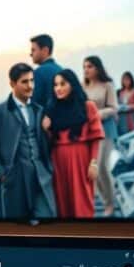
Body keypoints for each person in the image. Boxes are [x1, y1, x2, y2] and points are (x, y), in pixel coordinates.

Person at [0, 63, 56, 219]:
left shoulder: (38, 110)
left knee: (47, 216)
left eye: (32, 81)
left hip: (41, 176)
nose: (30, 86)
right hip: (15, 179)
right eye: (24, 82)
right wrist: (1, 173)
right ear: (12, 84)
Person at [42, 69, 106, 218]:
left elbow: (95, 137)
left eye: (62, 84)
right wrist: (45, 129)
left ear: (73, 85)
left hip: (81, 159)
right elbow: (49, 141)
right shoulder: (51, 109)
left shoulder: (87, 106)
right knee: (62, 203)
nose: (58, 88)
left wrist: (93, 163)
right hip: (58, 161)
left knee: (83, 202)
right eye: (55, 85)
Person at [82, 56, 118, 216]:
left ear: (97, 68)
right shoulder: (83, 86)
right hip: (89, 131)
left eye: (89, 66)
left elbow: (113, 108)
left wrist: (97, 114)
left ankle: (110, 204)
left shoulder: (107, 85)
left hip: (106, 129)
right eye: (84, 67)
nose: (86, 69)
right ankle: (105, 200)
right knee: (93, 167)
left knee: (102, 166)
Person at [29, 34, 62, 109]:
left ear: (45, 50)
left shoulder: (38, 73)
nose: (30, 54)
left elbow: (34, 102)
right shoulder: (61, 70)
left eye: (33, 50)